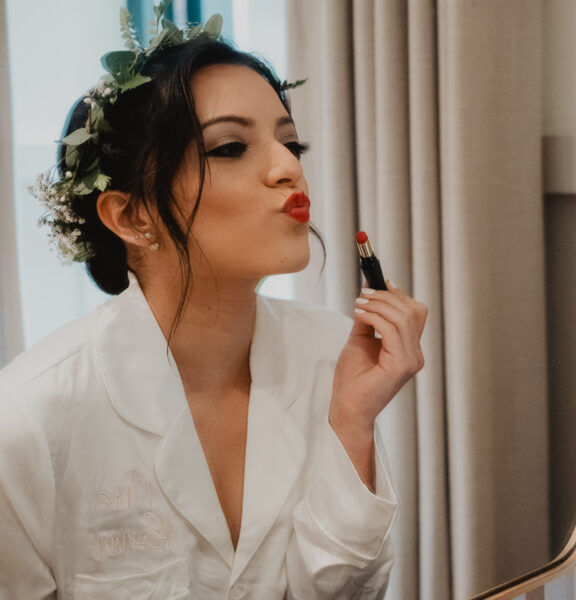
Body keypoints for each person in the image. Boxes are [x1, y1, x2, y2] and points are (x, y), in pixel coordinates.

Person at [0, 4, 426, 599]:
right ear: (131, 215)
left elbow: (346, 592)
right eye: (229, 148)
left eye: (291, 143)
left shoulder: (335, 356)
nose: (288, 170)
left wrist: (351, 421)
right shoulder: (26, 420)